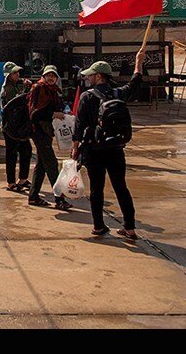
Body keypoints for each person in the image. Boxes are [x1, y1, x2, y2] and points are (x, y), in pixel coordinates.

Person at [72, 49, 145, 240]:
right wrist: (138, 61)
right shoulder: (118, 93)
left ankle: (98, 226)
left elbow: (79, 125)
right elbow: (135, 82)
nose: (88, 78)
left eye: (90, 75)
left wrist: (75, 148)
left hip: (94, 150)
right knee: (121, 187)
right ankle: (129, 227)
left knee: (97, 189)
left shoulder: (87, 96)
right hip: (115, 149)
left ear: (98, 76)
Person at [27, 65, 71, 210]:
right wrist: (53, 114)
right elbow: (35, 114)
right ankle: (59, 199)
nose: (51, 78)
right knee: (52, 165)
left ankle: (33, 196)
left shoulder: (52, 90)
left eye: (53, 75)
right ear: (44, 76)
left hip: (46, 132)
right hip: (39, 131)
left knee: (41, 165)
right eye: (48, 75)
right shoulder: (40, 89)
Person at [1, 62, 32, 192]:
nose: (17, 74)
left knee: (26, 150)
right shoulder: (8, 89)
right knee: (11, 155)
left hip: (18, 126)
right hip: (10, 127)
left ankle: (23, 179)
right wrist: (26, 90)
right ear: (8, 75)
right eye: (14, 73)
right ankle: (11, 183)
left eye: (17, 72)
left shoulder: (14, 86)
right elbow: (18, 104)